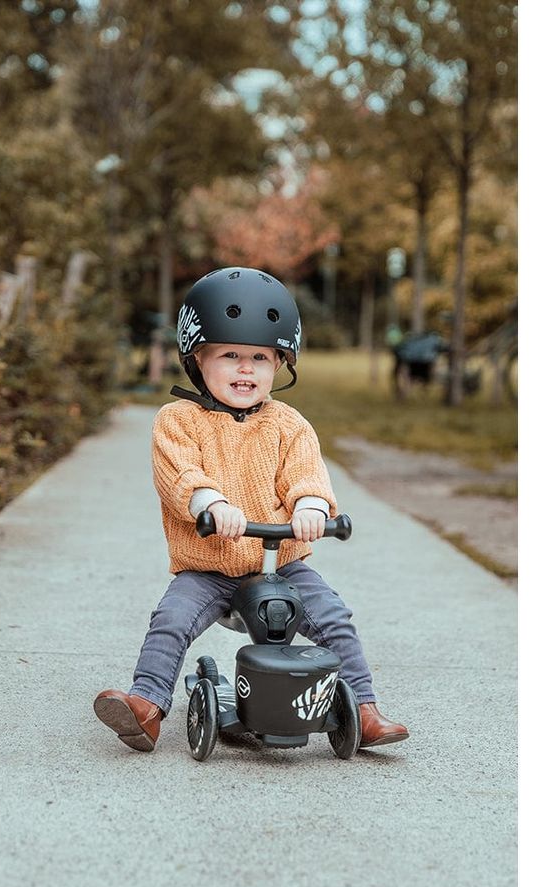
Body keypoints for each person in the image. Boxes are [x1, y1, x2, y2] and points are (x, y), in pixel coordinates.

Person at [93, 267, 409, 752]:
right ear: (198, 358)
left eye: (260, 357)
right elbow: (180, 476)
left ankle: (363, 710)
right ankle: (146, 706)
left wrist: (309, 506)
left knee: (335, 618)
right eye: (231, 355)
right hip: (209, 568)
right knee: (171, 620)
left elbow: (307, 475)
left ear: (281, 362)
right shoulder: (178, 421)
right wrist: (210, 503)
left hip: (283, 566)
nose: (246, 369)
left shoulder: (290, 425)